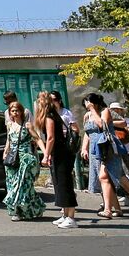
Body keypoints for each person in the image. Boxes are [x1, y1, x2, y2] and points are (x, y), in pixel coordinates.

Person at [36, 91, 77, 228]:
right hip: (60, 153)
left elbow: (51, 137)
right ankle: (65, 214)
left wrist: (45, 155)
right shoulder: (53, 115)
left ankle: (71, 217)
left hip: (61, 153)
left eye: (39, 100)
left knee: (65, 184)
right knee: (59, 184)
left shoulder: (49, 116)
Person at [82, 95, 125, 218]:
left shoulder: (104, 111)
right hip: (94, 149)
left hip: (106, 147)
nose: (87, 105)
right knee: (104, 180)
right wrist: (84, 148)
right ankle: (117, 208)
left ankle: (107, 209)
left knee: (104, 177)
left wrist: (93, 110)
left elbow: (102, 125)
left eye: (89, 103)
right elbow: (87, 132)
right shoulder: (87, 115)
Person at [2, 100, 45, 221]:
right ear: (10, 113)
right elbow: (9, 140)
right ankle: (26, 210)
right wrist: (5, 152)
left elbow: (37, 139)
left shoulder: (27, 125)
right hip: (12, 160)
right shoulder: (10, 125)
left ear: (21, 112)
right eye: (13, 111)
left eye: (17, 110)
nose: (15, 113)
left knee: (22, 186)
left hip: (26, 159)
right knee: (12, 185)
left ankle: (21, 212)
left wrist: (46, 153)